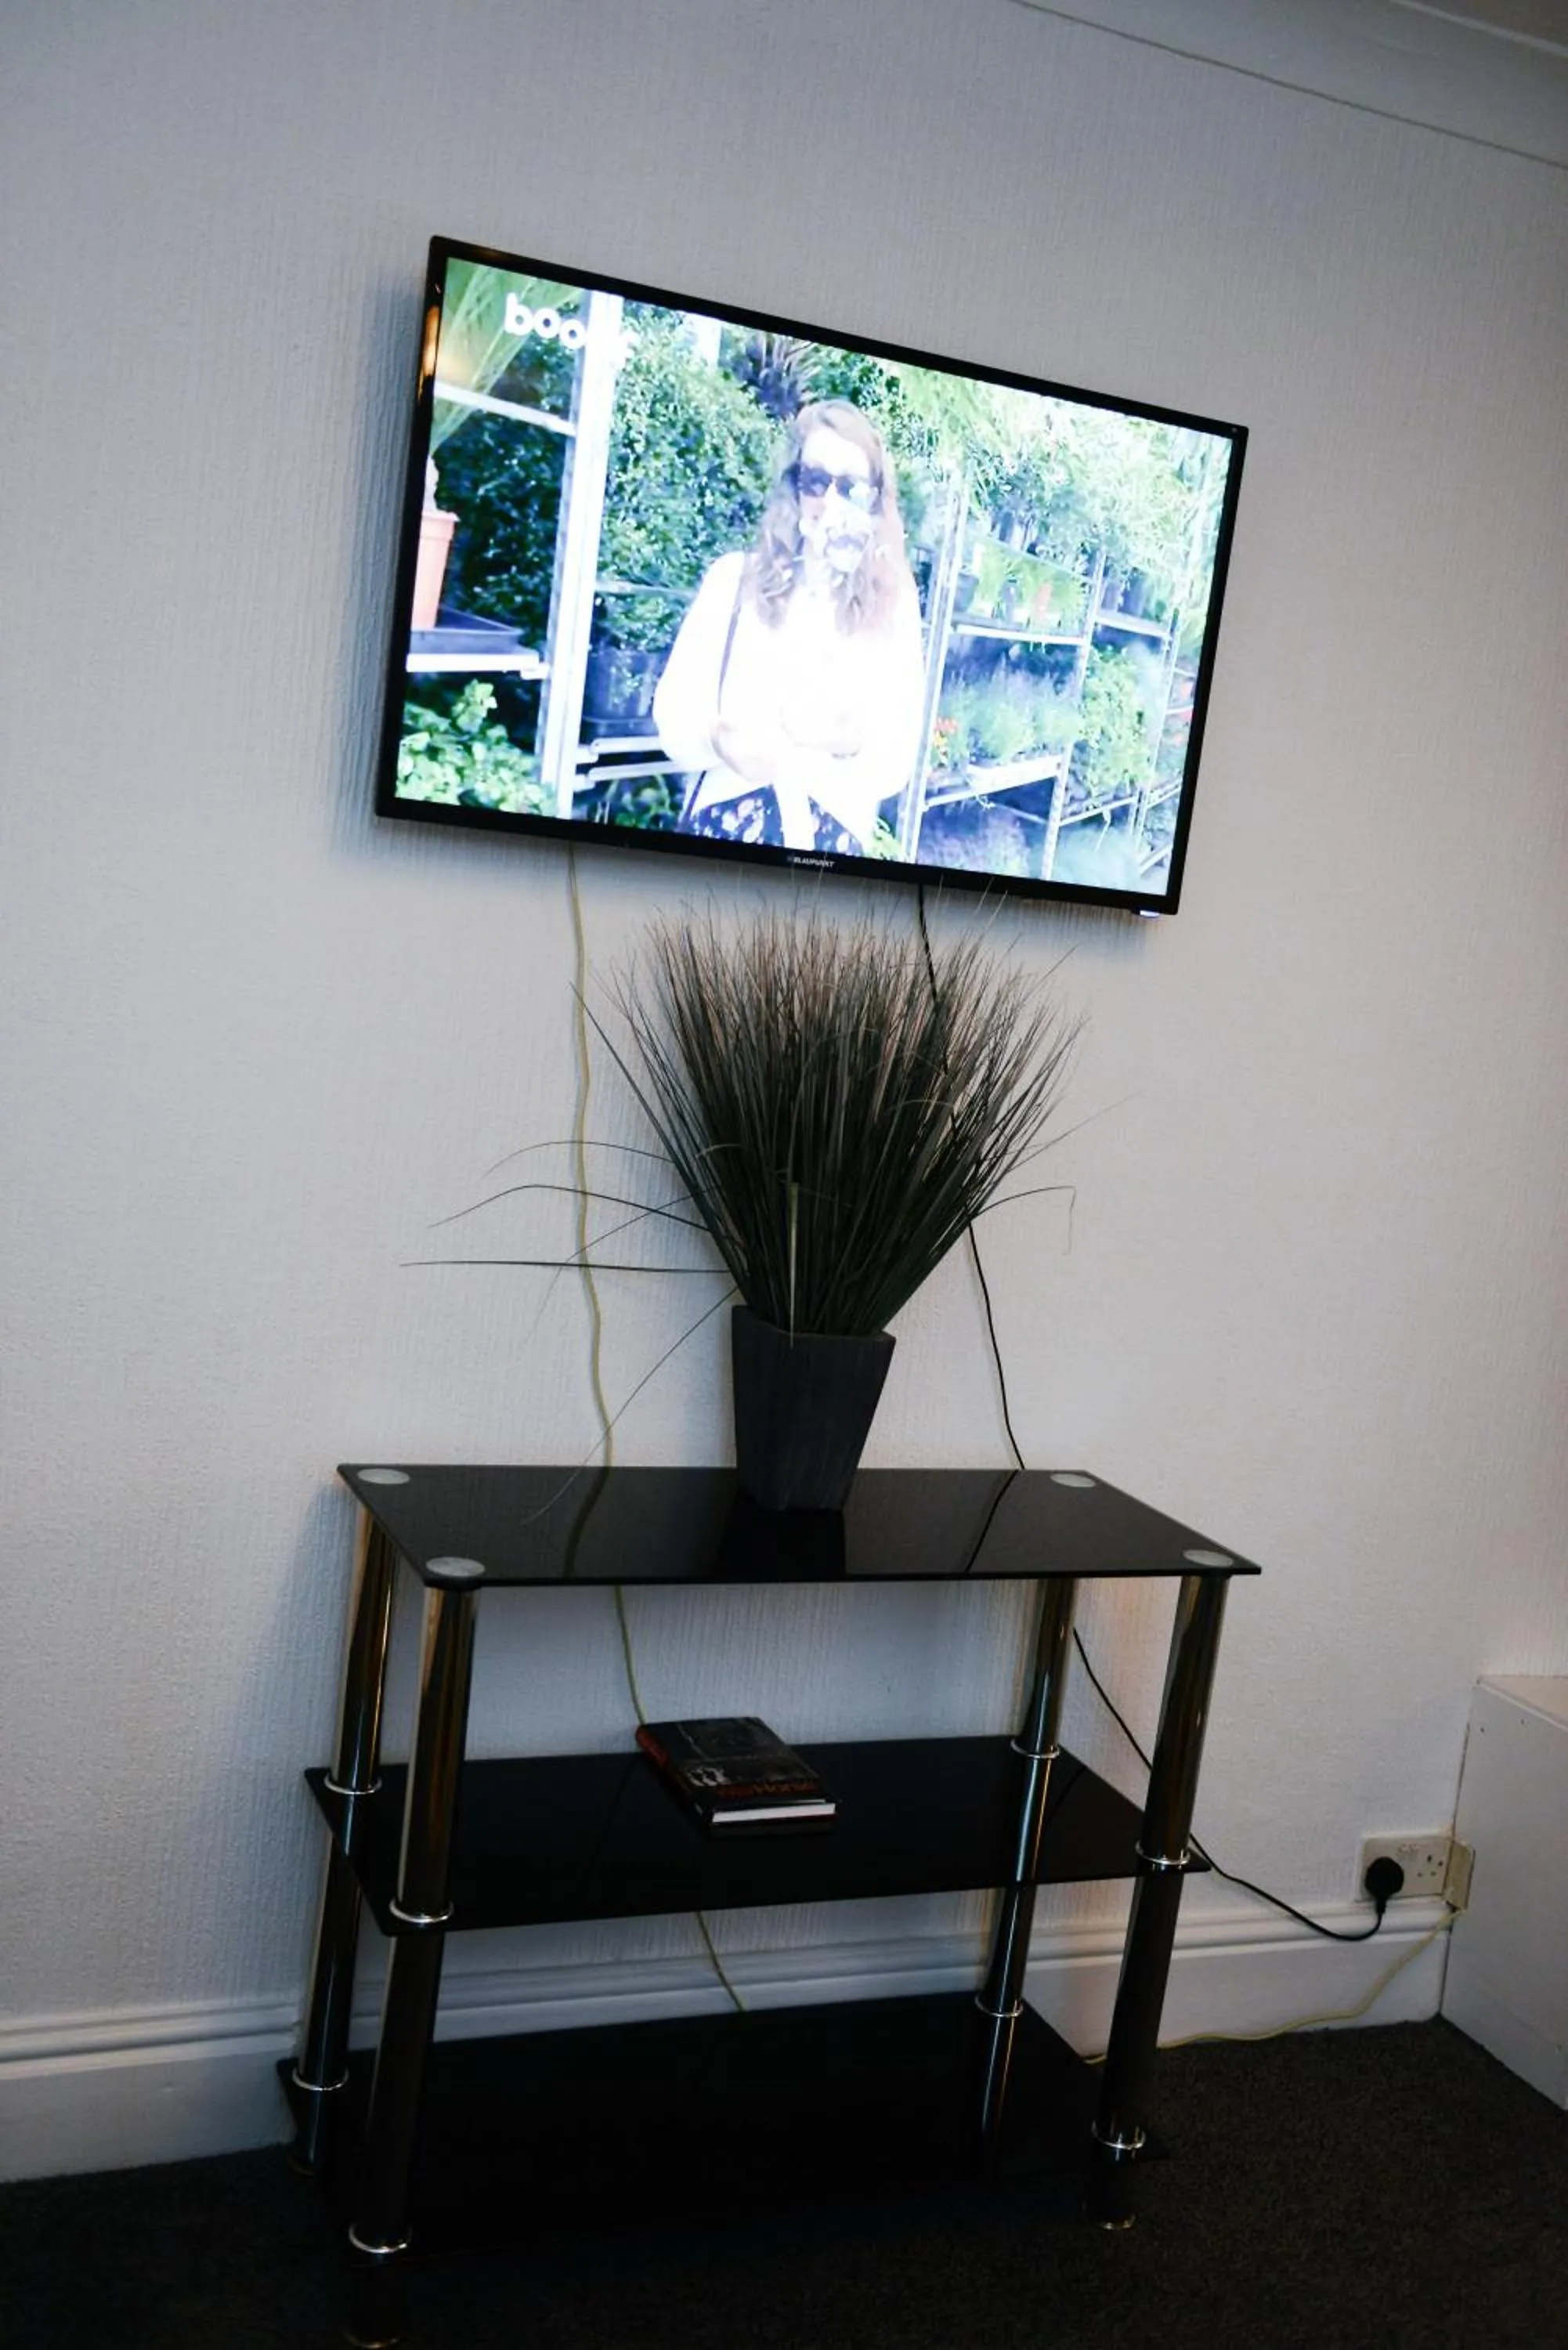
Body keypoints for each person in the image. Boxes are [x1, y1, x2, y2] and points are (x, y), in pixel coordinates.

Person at [652, 401, 926, 855]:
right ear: (794, 488)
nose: (830, 502)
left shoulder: (893, 608)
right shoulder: (732, 581)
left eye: (851, 487)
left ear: (876, 500)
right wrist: (717, 740)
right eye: (815, 481)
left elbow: (896, 762)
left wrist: (847, 740)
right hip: (726, 828)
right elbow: (674, 719)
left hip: (828, 850)